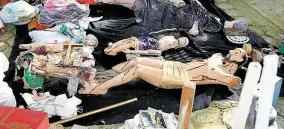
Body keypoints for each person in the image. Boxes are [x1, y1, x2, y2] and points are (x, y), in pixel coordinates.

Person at [80, 48, 247, 94]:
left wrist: (233, 78)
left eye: (240, 53)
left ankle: (101, 88)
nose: (236, 51)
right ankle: (105, 76)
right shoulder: (220, 58)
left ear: (240, 61)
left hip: (179, 77)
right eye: (237, 49)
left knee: (138, 69)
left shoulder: (226, 72)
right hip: (178, 66)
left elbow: (230, 80)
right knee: (136, 60)